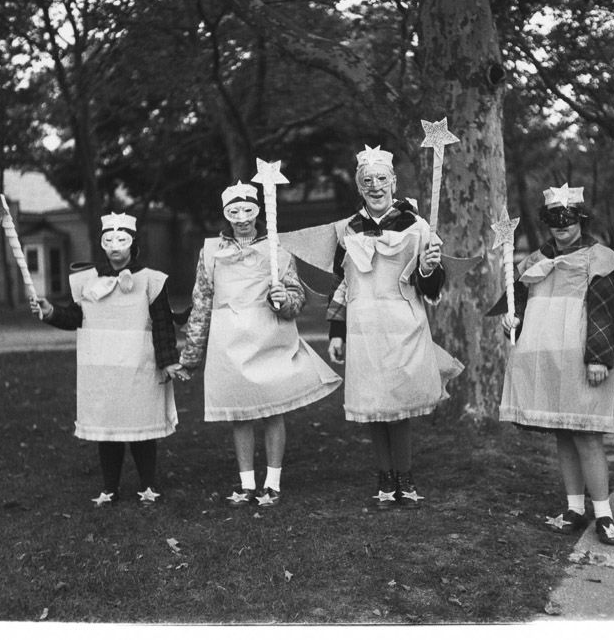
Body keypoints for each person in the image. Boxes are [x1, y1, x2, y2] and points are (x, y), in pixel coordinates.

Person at [179, 181, 342, 508]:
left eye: (247, 210)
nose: (241, 218)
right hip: (230, 343)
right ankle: (246, 483)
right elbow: (201, 303)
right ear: (225, 213)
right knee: (239, 413)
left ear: (259, 210)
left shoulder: (277, 251)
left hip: (268, 337)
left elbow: (297, 299)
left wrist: (284, 300)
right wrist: (191, 356)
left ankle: (273, 482)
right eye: (233, 211)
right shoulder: (211, 253)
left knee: (272, 410)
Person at [326, 145, 463, 509]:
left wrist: (430, 268)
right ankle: (384, 479)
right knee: (373, 403)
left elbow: (430, 287)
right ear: (359, 186)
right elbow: (341, 284)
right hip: (363, 327)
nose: (375, 186)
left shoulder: (418, 228)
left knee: (398, 405)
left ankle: (405, 476)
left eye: (381, 179)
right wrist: (336, 333)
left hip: (403, 325)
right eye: (367, 181)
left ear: (394, 182)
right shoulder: (348, 231)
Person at [498, 184, 614, 545]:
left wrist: (599, 357)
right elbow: (519, 303)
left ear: (580, 220)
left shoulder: (597, 257)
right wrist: (513, 320)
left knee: (587, 434)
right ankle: (574, 507)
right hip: (546, 357)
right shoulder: (535, 261)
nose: (561, 226)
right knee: (564, 433)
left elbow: (604, 310)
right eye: (554, 219)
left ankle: (603, 514)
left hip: (580, 355)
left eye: (568, 219)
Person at [30, 213, 187, 506]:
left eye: (122, 240)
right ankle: (110, 487)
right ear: (102, 244)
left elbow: (163, 324)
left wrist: (167, 360)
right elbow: (75, 317)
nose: (115, 247)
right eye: (109, 240)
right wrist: (50, 310)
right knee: (108, 429)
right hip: (101, 369)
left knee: (141, 428)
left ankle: (148, 485)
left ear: (133, 243)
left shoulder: (151, 281)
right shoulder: (87, 282)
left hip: (139, 367)